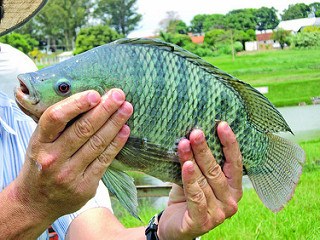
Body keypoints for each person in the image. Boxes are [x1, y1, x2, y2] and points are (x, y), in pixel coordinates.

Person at [0, 1, 243, 240]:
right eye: (63, 88)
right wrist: (32, 202)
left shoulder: (24, 123)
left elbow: (95, 234)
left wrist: (162, 231)